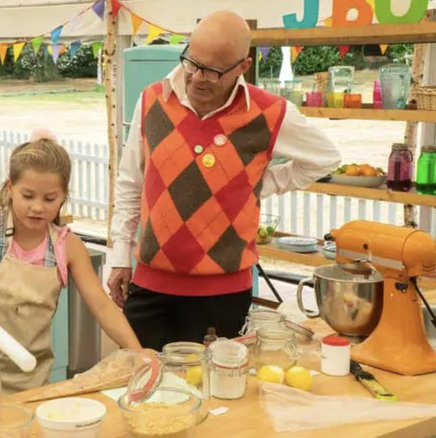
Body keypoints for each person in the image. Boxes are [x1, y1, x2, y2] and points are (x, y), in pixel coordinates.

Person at [108, 10, 341, 351]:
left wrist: (260, 183)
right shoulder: (152, 101)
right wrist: (118, 256)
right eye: (192, 62)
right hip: (149, 286)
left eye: (213, 71)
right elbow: (130, 182)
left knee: (215, 393)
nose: (198, 77)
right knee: (143, 386)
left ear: (243, 67)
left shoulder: (269, 113)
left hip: (222, 294)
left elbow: (325, 158)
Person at [0, 131, 144, 408]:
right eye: (27, 195)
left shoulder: (66, 247)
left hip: (28, 378)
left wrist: (139, 355)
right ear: (10, 188)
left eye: (49, 199)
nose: (37, 207)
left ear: (63, 198)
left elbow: (103, 308)